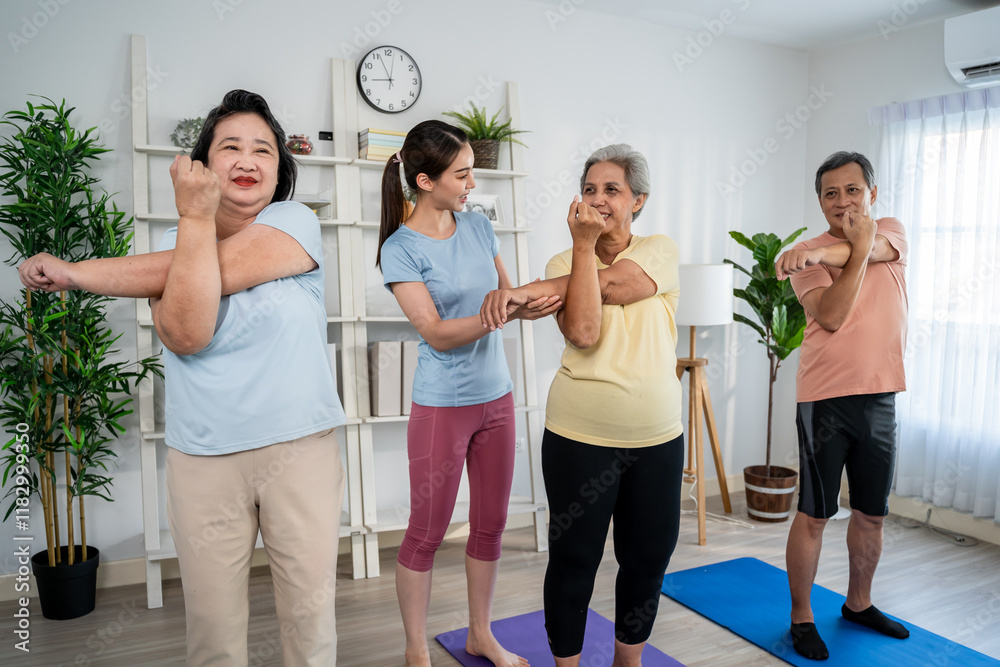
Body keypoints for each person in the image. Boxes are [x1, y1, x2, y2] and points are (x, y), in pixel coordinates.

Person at [18, 89, 347, 666]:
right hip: (205, 461)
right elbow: (188, 333)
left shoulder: (294, 222)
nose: (248, 160)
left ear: (279, 169)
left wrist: (75, 272)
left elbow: (193, 271)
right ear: (201, 166)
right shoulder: (176, 244)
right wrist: (194, 221)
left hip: (300, 451)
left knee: (308, 617)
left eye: (263, 150)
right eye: (231, 147)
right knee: (213, 628)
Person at [481, 144, 684, 667]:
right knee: (574, 560)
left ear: (637, 200)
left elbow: (616, 284)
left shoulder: (659, 250)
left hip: (657, 438)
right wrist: (580, 251)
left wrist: (527, 293)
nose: (597, 200)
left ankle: (628, 662)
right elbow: (585, 330)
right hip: (578, 437)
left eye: (611, 190)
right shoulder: (564, 259)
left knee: (647, 560)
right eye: (589, 189)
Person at [376, 119, 560, 667]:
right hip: (442, 407)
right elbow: (434, 331)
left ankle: (482, 633)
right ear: (426, 180)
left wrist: (533, 301)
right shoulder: (400, 248)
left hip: (496, 399)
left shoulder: (478, 227)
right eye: (461, 174)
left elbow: (505, 296)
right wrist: (496, 313)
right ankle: (416, 650)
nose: (470, 184)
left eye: (472, 172)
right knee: (426, 532)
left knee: (491, 525)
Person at [775, 151, 909, 661]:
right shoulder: (805, 253)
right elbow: (830, 317)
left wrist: (828, 254)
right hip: (824, 399)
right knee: (814, 514)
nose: (842, 201)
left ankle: (859, 603)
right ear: (820, 201)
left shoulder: (892, 232)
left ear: (871, 194)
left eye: (852, 190)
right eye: (831, 193)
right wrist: (831, 254)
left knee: (872, 514)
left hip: (880, 396)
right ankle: (801, 618)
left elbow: (873, 249)